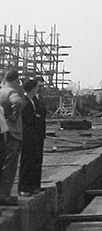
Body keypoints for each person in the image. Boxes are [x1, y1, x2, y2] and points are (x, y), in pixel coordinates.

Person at [0, 70, 24, 205]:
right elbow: (18, 102)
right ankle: (4, 195)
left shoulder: (1, 90)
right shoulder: (11, 92)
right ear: (16, 80)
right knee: (10, 166)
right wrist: (15, 114)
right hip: (12, 133)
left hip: (3, 131)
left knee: (2, 163)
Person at [19, 79, 46, 196]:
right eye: (37, 87)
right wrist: (37, 116)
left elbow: (42, 113)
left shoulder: (34, 100)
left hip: (37, 135)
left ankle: (34, 186)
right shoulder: (25, 102)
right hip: (29, 136)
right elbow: (29, 118)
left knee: (35, 160)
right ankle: (24, 188)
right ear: (32, 88)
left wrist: (37, 115)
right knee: (27, 162)